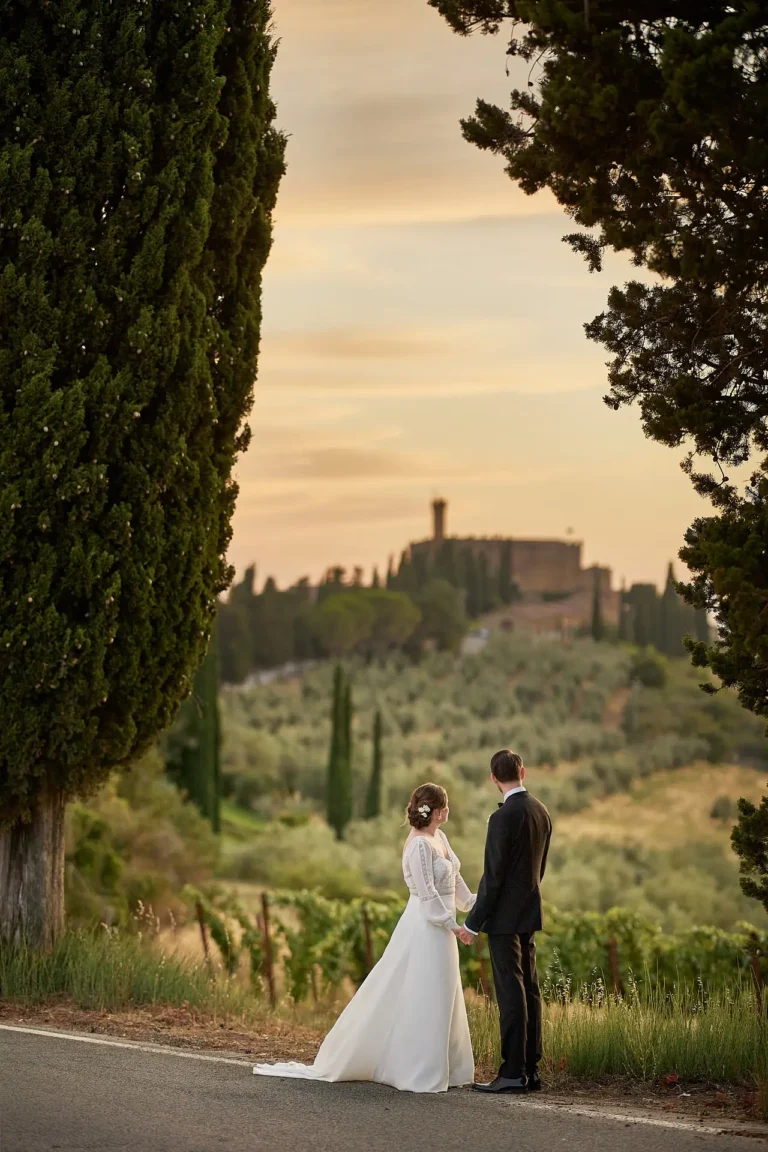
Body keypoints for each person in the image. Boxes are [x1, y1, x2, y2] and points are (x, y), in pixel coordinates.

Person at [253, 782, 476, 1092]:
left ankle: (448, 1066)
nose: (449, 811)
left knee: (443, 993)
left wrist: (475, 905)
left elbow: (455, 881)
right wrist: (455, 926)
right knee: (425, 991)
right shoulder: (419, 845)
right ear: (437, 811)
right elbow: (426, 895)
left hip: (443, 931)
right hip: (426, 928)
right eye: (446, 806)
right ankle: (417, 1068)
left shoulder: (440, 837)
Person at [458, 749, 552, 1094]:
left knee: (511, 994)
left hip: (503, 919)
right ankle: (531, 1071)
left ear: (493, 779)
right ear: (522, 772)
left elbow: (493, 877)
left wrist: (472, 924)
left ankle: (512, 1073)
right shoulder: (541, 811)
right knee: (529, 989)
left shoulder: (501, 818)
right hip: (529, 912)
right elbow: (538, 869)